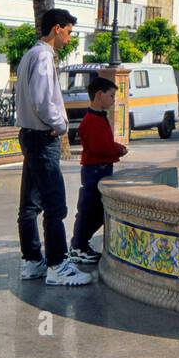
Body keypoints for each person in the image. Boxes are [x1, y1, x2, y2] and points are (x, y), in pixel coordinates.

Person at [17, 8, 92, 287]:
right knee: (55, 204)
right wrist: (60, 125)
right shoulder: (44, 57)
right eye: (69, 32)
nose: (70, 38)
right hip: (43, 137)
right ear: (57, 28)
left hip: (29, 134)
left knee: (29, 204)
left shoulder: (29, 55)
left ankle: (32, 261)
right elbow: (41, 99)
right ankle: (58, 265)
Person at [68, 76, 128, 265]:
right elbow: (100, 147)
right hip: (94, 170)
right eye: (111, 96)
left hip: (100, 168)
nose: (113, 100)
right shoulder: (92, 120)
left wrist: (114, 147)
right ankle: (78, 246)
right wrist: (118, 149)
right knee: (89, 210)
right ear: (99, 95)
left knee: (96, 210)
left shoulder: (97, 117)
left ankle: (80, 244)